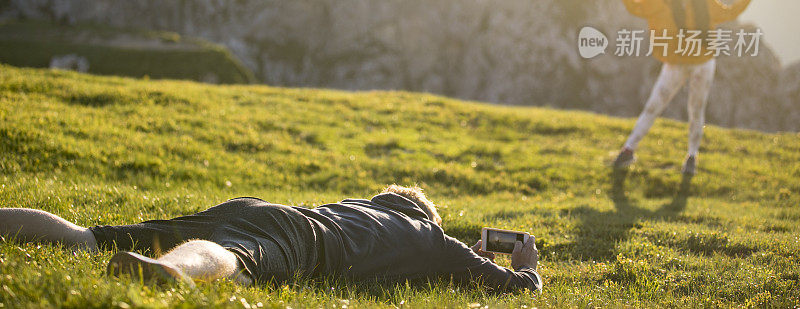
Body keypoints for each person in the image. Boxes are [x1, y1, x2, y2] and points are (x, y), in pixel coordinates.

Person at [0, 185, 541, 293]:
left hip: (257, 205)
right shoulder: (429, 235)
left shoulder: (360, 208)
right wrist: (527, 266)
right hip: (297, 237)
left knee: (86, 237)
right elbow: (520, 291)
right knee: (236, 256)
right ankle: (169, 271)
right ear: (427, 217)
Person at [612, 0, 758, 174]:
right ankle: (628, 150)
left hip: (703, 62)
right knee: (653, 105)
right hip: (675, 62)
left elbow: (730, 12)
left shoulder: (706, 2)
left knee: (696, 109)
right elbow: (635, 7)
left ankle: (692, 156)